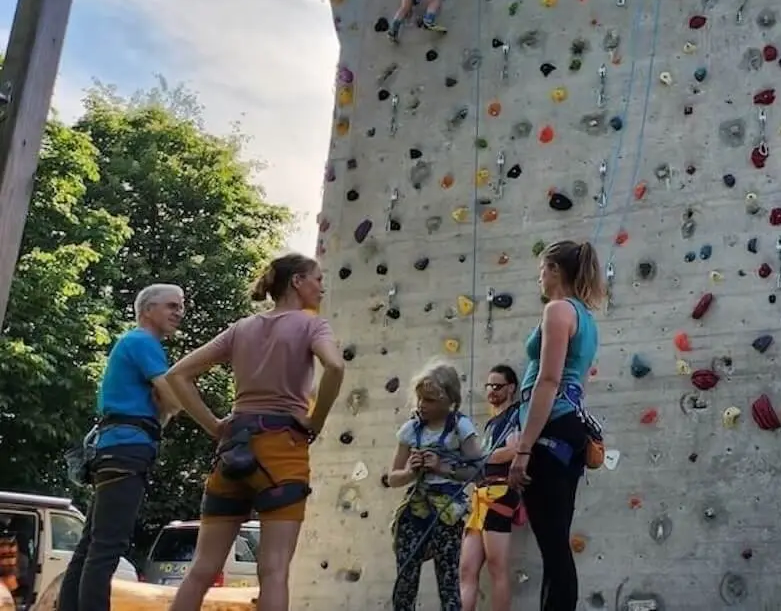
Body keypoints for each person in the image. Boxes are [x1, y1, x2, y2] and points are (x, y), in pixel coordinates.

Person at [164, 253, 345, 611]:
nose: (322, 287)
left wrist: (214, 425)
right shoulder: (312, 325)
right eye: (317, 279)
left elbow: (177, 375)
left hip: (233, 450)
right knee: (274, 570)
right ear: (297, 282)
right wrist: (317, 421)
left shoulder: (242, 328)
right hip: (283, 451)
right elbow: (335, 366)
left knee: (202, 569)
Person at [59, 284, 185, 611]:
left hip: (112, 450)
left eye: (181, 306)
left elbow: (166, 403)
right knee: (107, 547)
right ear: (147, 310)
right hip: (128, 450)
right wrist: (170, 403)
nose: (179, 313)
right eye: (171, 306)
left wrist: (165, 404)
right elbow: (174, 400)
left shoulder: (132, 342)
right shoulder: (144, 341)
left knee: (92, 545)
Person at [508, 240, 602, 611]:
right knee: (556, 541)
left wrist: (524, 448)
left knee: (553, 544)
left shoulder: (557, 311)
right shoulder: (586, 318)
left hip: (550, 430)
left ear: (555, 271)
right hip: (568, 429)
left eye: (542, 271)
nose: (539, 279)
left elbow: (548, 381)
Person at [388, 361, 482, 611]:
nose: (421, 405)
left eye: (429, 400)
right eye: (420, 399)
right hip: (415, 510)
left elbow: (479, 471)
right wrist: (410, 471)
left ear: (449, 400)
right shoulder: (410, 430)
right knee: (405, 582)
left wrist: (444, 468)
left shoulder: (460, 428)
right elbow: (392, 477)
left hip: (447, 514)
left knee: (449, 583)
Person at [460, 364, 521, 611]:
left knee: (497, 568)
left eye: (498, 386)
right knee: (466, 569)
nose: (492, 391)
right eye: (489, 386)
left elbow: (513, 451)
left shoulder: (515, 415)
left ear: (511, 388)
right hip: (480, 497)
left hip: (499, 494)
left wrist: (480, 457)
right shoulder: (490, 425)